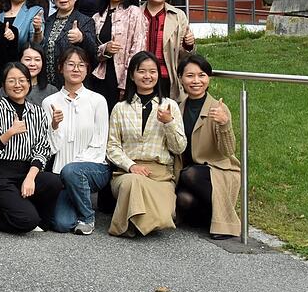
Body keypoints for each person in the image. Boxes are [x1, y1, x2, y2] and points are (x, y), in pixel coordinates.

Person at [106, 52, 186, 237]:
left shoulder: (170, 106)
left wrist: (169, 123)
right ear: (132, 76)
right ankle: (128, 225)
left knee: (166, 214)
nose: (147, 76)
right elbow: (112, 147)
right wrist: (131, 165)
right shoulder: (120, 108)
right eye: (141, 71)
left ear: (158, 75)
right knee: (132, 183)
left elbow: (179, 147)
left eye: (152, 71)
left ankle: (133, 221)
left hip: (160, 175)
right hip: (127, 173)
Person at [0, 62, 61, 234]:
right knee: (28, 221)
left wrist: (31, 177)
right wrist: (7, 134)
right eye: (12, 81)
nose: (17, 85)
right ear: (4, 85)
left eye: (22, 80)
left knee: (53, 183)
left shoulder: (37, 113)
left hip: (25, 171)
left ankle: (17, 205)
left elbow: (42, 149)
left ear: (29, 83)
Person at [43, 47, 110, 235]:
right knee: (62, 224)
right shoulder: (50, 102)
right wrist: (54, 126)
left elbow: (100, 142)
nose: (76, 69)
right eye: (70, 64)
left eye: (81, 65)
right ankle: (77, 195)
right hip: (61, 172)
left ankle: (88, 217)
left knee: (72, 171)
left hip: (94, 167)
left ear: (87, 69)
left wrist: (74, 169)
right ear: (60, 68)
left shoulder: (97, 100)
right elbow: (50, 148)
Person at [176, 54, 241, 239]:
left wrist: (224, 124)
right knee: (183, 200)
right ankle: (209, 217)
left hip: (217, 169)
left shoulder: (218, 109)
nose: (196, 81)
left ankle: (227, 221)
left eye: (202, 75)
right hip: (188, 172)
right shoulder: (179, 108)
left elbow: (227, 151)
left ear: (208, 78)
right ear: (180, 78)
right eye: (190, 76)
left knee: (190, 174)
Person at [88, 0, 147, 114]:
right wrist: (105, 49)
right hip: (100, 78)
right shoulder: (97, 17)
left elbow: (138, 49)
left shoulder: (134, 12)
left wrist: (127, 82)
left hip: (124, 78)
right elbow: (92, 50)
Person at [141, 0, 196, 100]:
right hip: (141, 78)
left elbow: (185, 56)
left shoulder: (178, 16)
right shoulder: (135, 14)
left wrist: (189, 45)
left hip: (167, 79)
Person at [41, 0, 98, 88]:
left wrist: (82, 38)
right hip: (48, 86)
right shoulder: (47, 21)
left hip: (73, 85)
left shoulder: (85, 21)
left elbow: (94, 53)